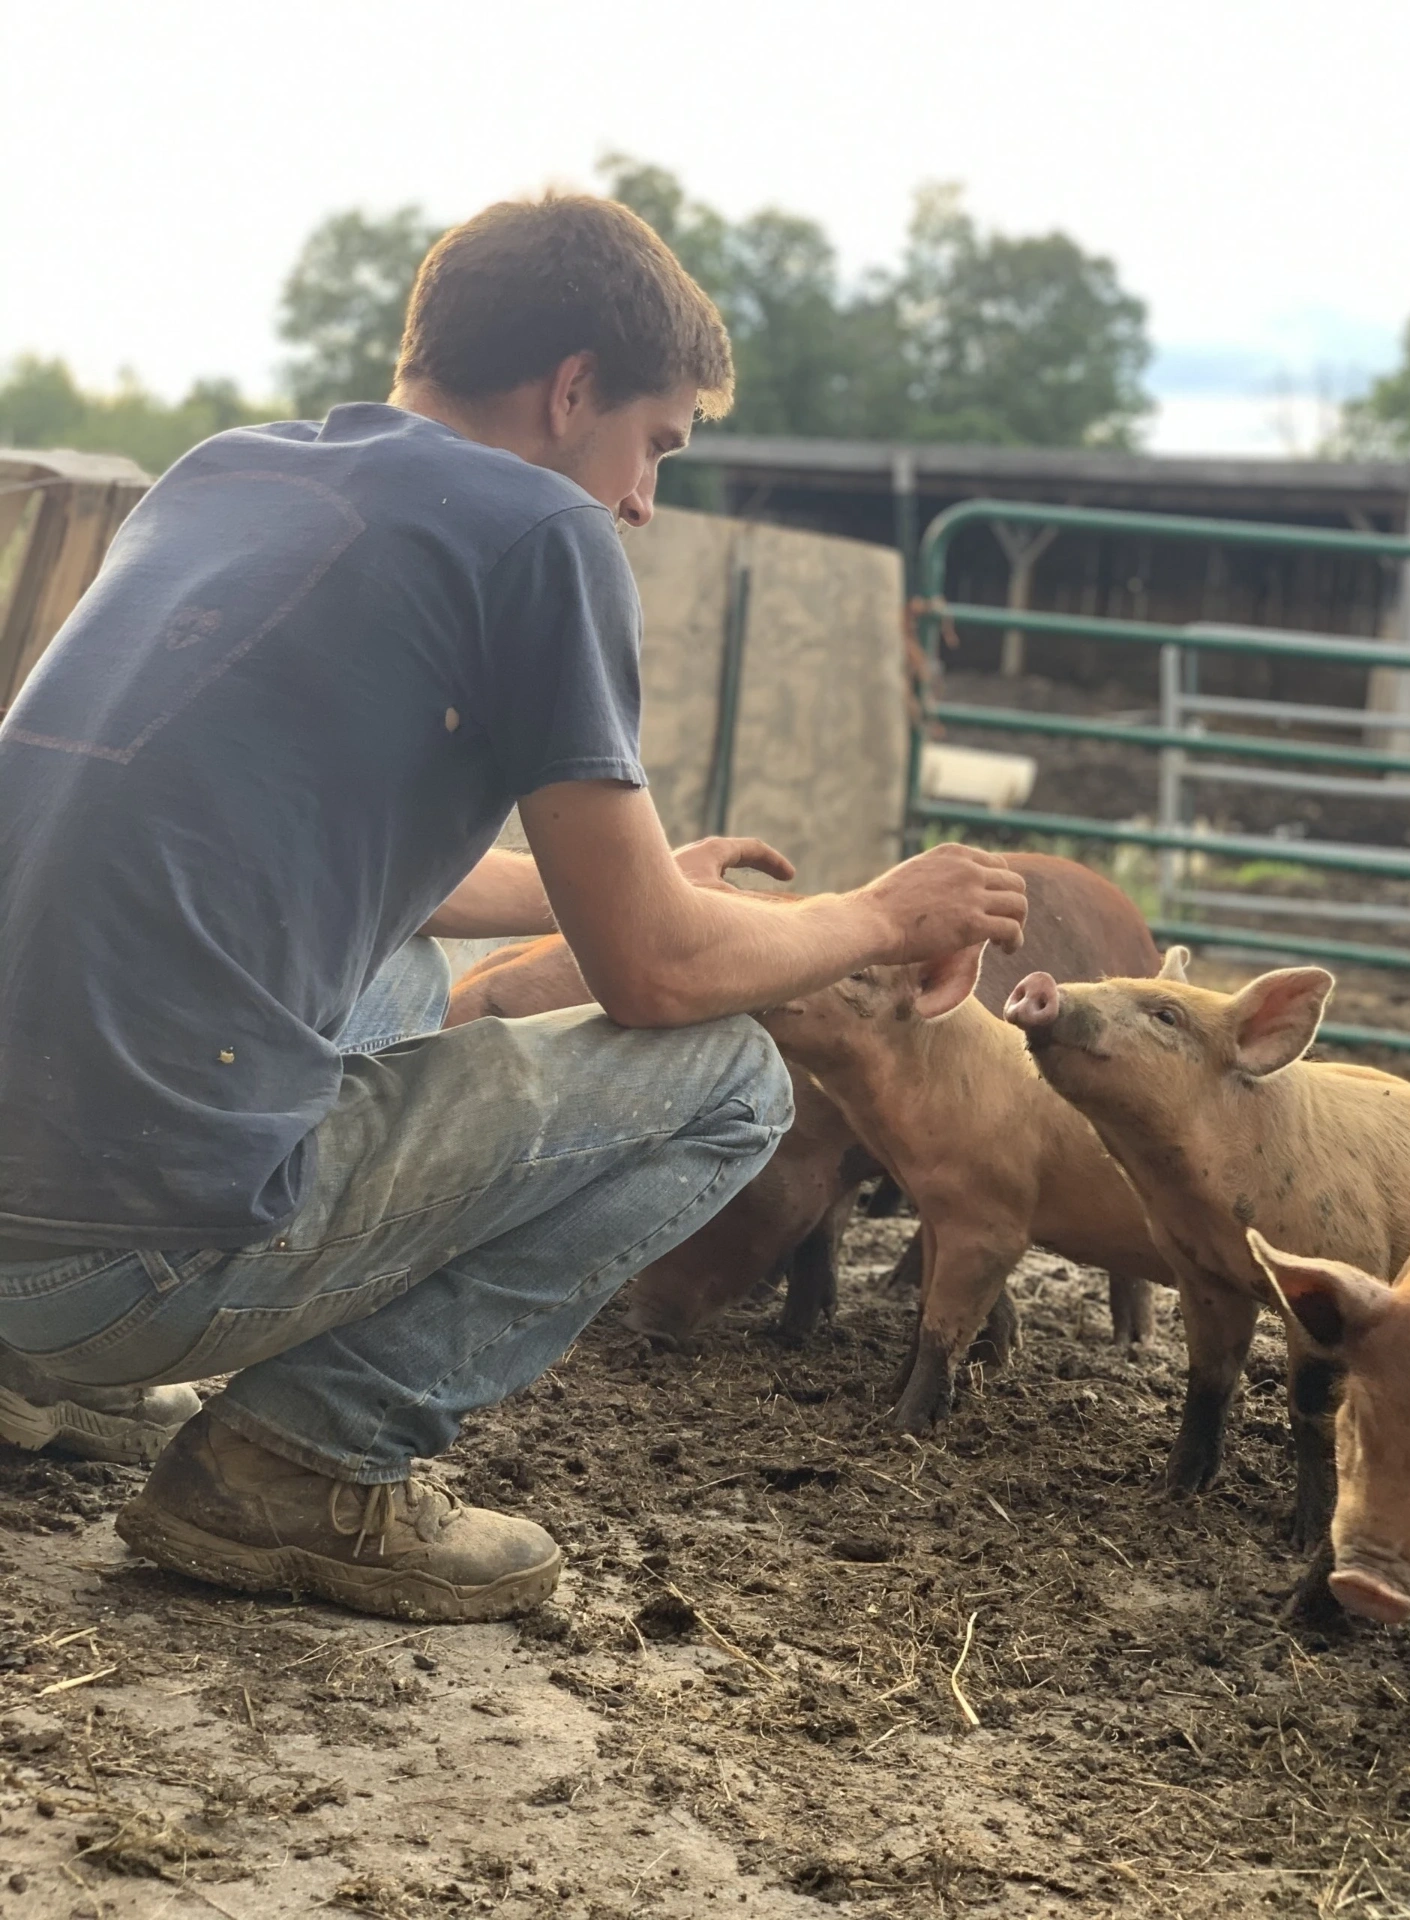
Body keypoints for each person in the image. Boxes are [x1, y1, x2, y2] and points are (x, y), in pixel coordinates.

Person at [0, 194, 1027, 1623]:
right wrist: (883, 910)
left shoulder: (225, 474)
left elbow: (325, 855)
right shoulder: (541, 529)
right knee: (725, 1081)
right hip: (109, 1266)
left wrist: (633, 884)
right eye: (656, 444)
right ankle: (308, 1462)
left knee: (409, 980)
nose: (644, 500)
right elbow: (659, 978)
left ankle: (35, 1384)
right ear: (572, 389)